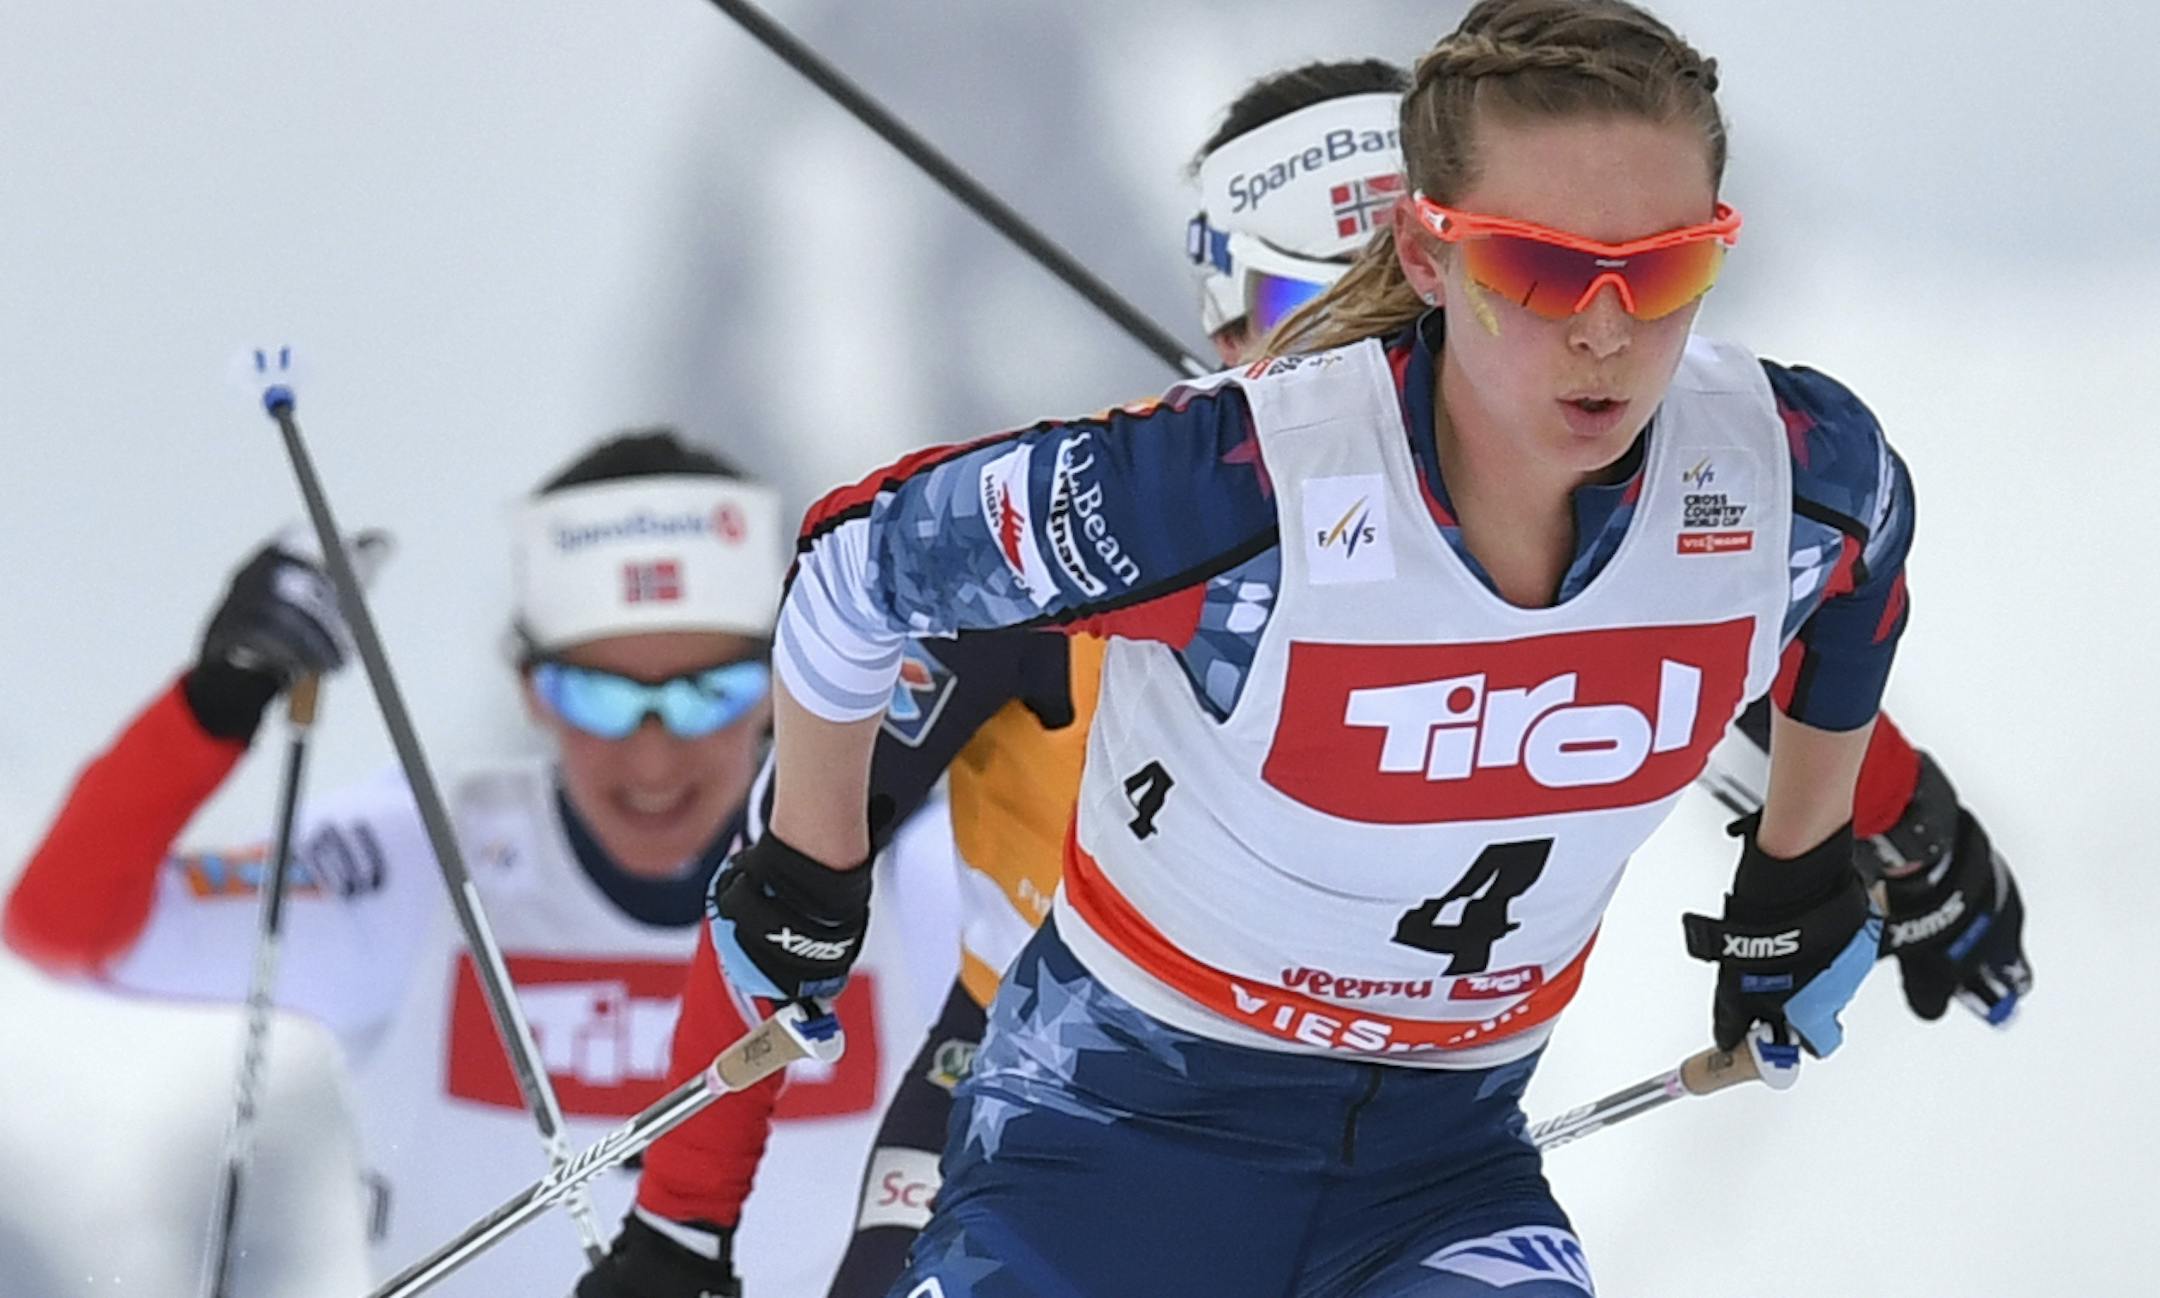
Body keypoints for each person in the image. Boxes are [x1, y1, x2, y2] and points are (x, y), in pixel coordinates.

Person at [584, 39, 2032, 1298]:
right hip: (1057, 1094)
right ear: (1227, 317)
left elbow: (1773, 656)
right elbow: (777, 887)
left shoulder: (1603, 503)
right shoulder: (1157, 527)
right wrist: (681, 1221)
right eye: (1315, 299)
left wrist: (1892, 844)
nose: (1386, 348)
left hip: (1411, 1135)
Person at [0, 430, 1007, 1296]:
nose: (653, 755)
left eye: (706, 692)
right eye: (599, 696)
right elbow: (66, 921)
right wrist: (218, 700)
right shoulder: (421, 860)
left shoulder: (909, 866)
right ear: (529, 688)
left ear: (787, 678)